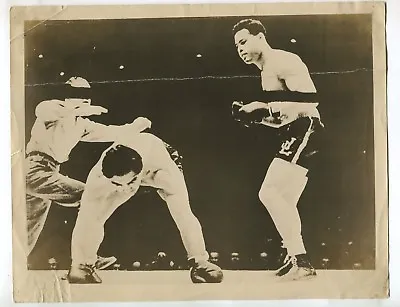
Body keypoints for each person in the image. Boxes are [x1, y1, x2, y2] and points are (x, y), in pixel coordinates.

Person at [25, 76, 151, 270]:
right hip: (35, 169)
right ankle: (87, 256)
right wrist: (77, 109)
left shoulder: (82, 125)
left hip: (44, 173)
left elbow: (113, 132)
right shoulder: (52, 111)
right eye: (77, 94)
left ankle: (8, 268)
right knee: (91, 196)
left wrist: (137, 125)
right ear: (66, 97)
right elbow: (42, 109)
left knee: (29, 228)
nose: (84, 99)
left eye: (87, 95)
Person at [231, 19, 324, 280]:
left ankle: (301, 260)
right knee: (285, 200)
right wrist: (254, 117)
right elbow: (281, 119)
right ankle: (295, 257)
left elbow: (311, 99)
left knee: (269, 193)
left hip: (307, 127)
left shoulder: (283, 60)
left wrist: (263, 106)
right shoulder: (265, 73)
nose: (240, 49)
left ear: (260, 37)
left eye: (244, 41)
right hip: (298, 130)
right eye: (236, 45)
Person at [67, 132, 223, 284]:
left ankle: (201, 261)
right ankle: (84, 263)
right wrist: (79, 262)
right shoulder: (99, 177)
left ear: (138, 173)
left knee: (181, 208)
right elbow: (86, 217)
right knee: (93, 213)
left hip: (158, 162)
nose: (123, 189)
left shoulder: (164, 171)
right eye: (117, 183)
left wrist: (200, 259)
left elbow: (185, 215)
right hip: (131, 165)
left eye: (129, 182)